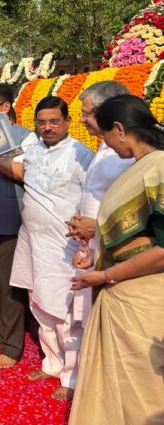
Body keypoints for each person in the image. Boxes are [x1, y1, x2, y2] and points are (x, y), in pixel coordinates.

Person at [68, 94, 164, 425]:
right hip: (124, 293)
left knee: (144, 398)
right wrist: (95, 253)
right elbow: (137, 235)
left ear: (120, 130)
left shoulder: (159, 168)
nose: (106, 144)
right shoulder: (142, 167)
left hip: (144, 300)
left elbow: (163, 251)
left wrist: (106, 275)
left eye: (106, 136)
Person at [10, 96, 94, 400]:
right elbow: (14, 170)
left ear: (68, 122)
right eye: (42, 122)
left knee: (66, 310)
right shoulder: (30, 151)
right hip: (31, 239)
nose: (47, 127)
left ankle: (72, 377)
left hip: (64, 245)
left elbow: (92, 198)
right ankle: (52, 362)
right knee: (37, 303)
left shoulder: (82, 155)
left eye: (54, 121)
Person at [0, 84, 37, 369]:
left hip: (9, 216)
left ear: (5, 107)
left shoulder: (25, 137)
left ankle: (13, 345)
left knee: (10, 284)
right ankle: (2, 334)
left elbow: (23, 173)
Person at [66, 82, 134, 324]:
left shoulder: (132, 152)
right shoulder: (107, 144)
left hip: (124, 257)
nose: (82, 120)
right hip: (97, 250)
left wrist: (95, 227)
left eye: (87, 113)